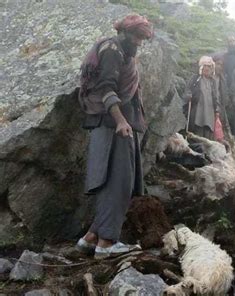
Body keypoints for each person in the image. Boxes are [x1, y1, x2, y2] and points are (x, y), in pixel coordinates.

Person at [76, 14, 152, 259]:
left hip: (117, 123)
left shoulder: (120, 50)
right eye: (138, 37)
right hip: (114, 123)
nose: (140, 42)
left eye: (143, 38)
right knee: (119, 181)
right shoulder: (112, 50)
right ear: (125, 33)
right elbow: (106, 87)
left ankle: (91, 237)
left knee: (113, 180)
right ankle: (107, 243)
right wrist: (121, 121)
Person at [184, 56, 220, 140]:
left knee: (208, 132)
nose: (207, 68)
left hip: (210, 111)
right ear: (201, 67)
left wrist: (217, 109)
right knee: (197, 132)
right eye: (205, 66)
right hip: (198, 110)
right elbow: (188, 89)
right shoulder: (195, 78)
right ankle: (197, 150)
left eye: (209, 66)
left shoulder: (213, 82)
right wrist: (189, 95)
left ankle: (206, 152)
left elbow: (216, 96)